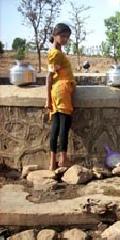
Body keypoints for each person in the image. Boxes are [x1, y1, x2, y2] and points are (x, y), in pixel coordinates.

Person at [45, 23, 76, 170]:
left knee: (56, 127)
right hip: (62, 92)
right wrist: (47, 98)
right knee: (64, 126)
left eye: (67, 37)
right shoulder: (55, 53)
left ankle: (52, 162)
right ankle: (63, 159)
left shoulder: (56, 52)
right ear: (55, 35)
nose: (65, 39)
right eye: (62, 36)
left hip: (58, 92)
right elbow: (49, 77)